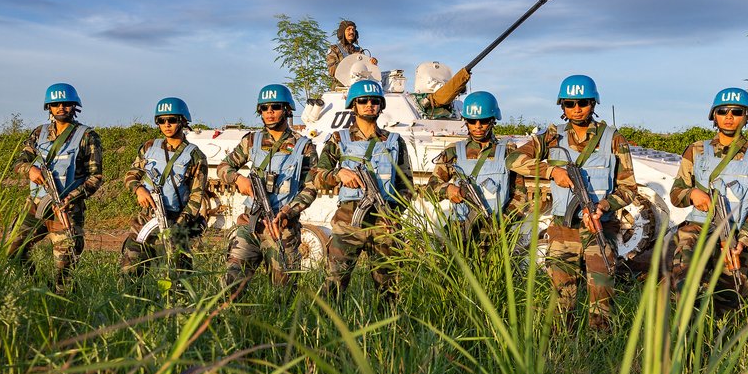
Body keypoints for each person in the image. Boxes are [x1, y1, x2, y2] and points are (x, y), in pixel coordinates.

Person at [510, 75, 637, 331]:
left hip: (599, 226)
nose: (577, 109)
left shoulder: (613, 138)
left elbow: (628, 188)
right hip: (563, 227)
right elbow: (513, 159)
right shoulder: (551, 137)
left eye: (583, 103)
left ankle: (600, 345)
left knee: (601, 289)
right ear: (562, 106)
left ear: (593, 104)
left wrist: (604, 206)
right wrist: (550, 171)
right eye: (570, 103)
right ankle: (560, 349)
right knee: (561, 292)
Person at [668, 87, 748, 311]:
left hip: (735, 233)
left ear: (747, 117)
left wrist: (743, 241)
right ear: (714, 115)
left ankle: (720, 339)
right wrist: (692, 193)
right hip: (697, 228)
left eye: (736, 111)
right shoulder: (696, 150)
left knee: (732, 292)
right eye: (723, 110)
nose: (729, 116)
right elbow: (676, 193)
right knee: (682, 283)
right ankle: (682, 336)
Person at [312, 79, 413, 302]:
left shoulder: (394, 141)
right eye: (363, 101)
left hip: (384, 223)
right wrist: (338, 174)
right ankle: (327, 330)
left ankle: (389, 332)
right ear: (353, 105)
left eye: (375, 101)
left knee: (389, 290)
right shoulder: (339, 139)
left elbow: (406, 187)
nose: (369, 105)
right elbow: (317, 177)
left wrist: (393, 213)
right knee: (334, 285)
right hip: (348, 220)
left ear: (381, 105)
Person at [216, 84, 318, 298]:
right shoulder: (251, 141)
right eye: (264, 108)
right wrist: (238, 178)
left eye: (275, 107)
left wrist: (288, 212)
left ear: (287, 110)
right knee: (230, 283)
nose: (269, 112)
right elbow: (223, 168)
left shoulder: (304, 146)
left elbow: (311, 187)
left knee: (284, 292)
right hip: (250, 223)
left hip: (282, 227)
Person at [5, 82, 103, 290]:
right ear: (48, 107)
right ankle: (40, 286)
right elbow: (19, 162)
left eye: (66, 104)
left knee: (65, 268)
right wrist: (29, 170)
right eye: (55, 104)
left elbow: (95, 177)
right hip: (36, 206)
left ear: (74, 106)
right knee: (12, 249)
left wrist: (72, 198)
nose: (61, 108)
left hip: (66, 209)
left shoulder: (87, 136)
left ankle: (65, 303)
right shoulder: (38, 134)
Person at [119, 97, 209, 287]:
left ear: (183, 121)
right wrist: (139, 189)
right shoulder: (149, 147)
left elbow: (196, 197)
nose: (166, 125)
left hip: (175, 221)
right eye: (161, 120)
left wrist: (178, 225)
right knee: (129, 272)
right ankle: (133, 310)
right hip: (145, 220)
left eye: (172, 120)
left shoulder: (195, 156)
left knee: (178, 280)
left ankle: (178, 313)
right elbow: (131, 175)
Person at [425, 90, 526, 242]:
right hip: (462, 232)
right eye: (472, 121)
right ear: (466, 121)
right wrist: (448, 190)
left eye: (483, 121)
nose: (478, 126)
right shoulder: (454, 152)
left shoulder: (508, 152)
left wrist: (503, 223)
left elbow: (520, 195)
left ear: (493, 120)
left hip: (496, 233)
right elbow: (430, 189)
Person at [326, 20, 377, 87]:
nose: (351, 32)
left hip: (359, 87)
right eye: (348, 29)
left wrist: (372, 63)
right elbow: (332, 71)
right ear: (342, 32)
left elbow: (365, 69)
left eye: (353, 30)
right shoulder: (334, 49)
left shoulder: (359, 50)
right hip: (340, 88)